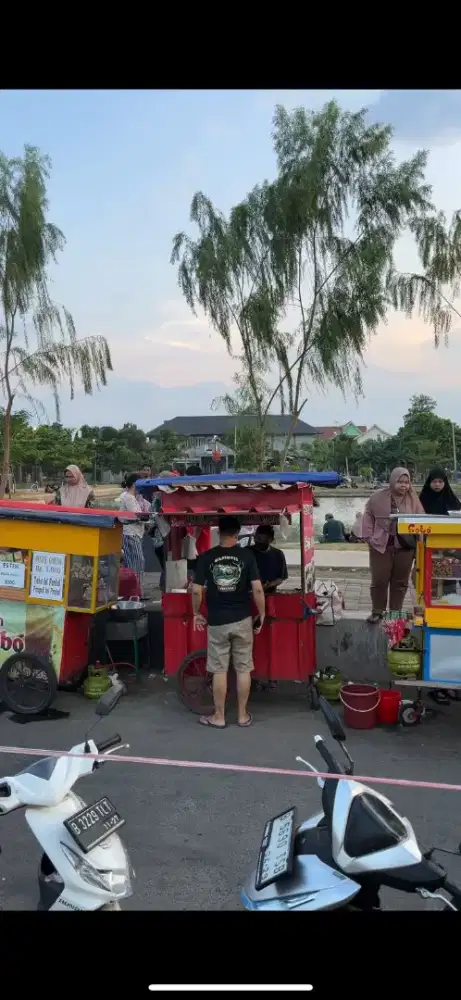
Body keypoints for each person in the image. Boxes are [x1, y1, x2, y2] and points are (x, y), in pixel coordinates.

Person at [192, 515, 265, 730]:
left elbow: (196, 590)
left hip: (217, 622)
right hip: (242, 619)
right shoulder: (247, 555)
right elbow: (258, 588)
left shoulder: (207, 557)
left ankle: (219, 716)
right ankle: (242, 716)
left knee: (219, 670)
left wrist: (196, 612)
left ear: (219, 532)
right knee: (243, 669)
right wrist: (262, 613)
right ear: (237, 533)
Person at [361, 467, 424, 624]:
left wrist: (420, 544)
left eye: (406, 482)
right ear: (392, 481)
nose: (403, 486)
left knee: (400, 582)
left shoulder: (413, 499)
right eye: (400, 482)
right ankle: (377, 611)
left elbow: (421, 522)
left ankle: (395, 613)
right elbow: (368, 515)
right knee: (379, 580)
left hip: (405, 547)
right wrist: (369, 537)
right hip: (380, 546)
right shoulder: (377, 497)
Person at [119, 473, 145, 589]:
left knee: (131, 562)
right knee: (137, 562)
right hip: (131, 533)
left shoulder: (130, 496)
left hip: (132, 533)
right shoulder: (128, 497)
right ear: (135, 484)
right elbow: (135, 515)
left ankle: (132, 589)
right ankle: (135, 589)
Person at [252, 525, 288, 594]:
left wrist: (267, 585)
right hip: (248, 594)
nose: (259, 543)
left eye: (263, 541)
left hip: (270, 594)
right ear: (254, 537)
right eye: (257, 539)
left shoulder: (278, 554)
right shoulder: (247, 552)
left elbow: (280, 578)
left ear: (271, 540)